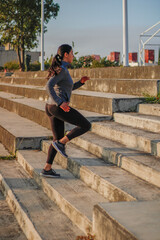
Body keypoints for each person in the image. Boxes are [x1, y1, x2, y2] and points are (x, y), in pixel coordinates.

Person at [40, 44, 91, 178]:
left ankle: (47, 168)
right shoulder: (62, 70)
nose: (73, 56)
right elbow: (48, 86)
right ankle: (62, 143)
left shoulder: (61, 69)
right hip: (56, 107)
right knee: (86, 125)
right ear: (66, 54)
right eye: (72, 53)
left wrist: (80, 83)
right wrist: (60, 103)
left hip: (50, 107)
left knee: (56, 139)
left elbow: (66, 88)